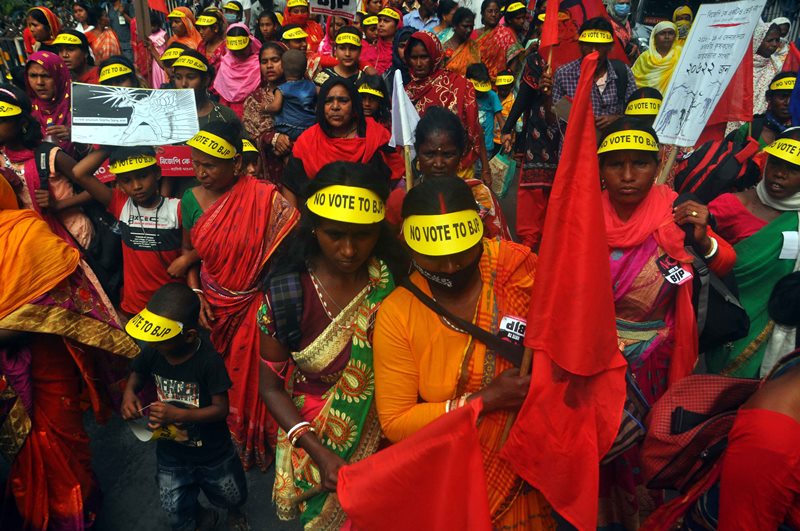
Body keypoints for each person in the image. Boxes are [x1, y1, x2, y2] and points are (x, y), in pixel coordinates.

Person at [373, 176, 555, 530]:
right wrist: (486, 399)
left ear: (480, 235)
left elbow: (562, 335)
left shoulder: (514, 269)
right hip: (454, 475)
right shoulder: (398, 314)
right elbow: (396, 422)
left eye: (462, 252)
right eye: (436, 258)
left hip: (533, 462)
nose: (452, 267)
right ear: (407, 246)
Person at [596, 118, 735, 529]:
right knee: (600, 448)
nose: (626, 176)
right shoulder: (582, 213)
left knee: (643, 450)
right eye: (614, 164)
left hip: (654, 361)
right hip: (596, 358)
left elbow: (725, 260)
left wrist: (702, 235)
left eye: (639, 164)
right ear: (599, 168)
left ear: (657, 165)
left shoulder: (674, 212)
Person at [258, 162, 400, 529]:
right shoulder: (286, 294)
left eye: (362, 236)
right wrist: (319, 453)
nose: (349, 250)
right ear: (314, 227)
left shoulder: (394, 279)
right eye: (335, 235)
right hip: (315, 438)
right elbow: (271, 389)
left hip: (391, 436)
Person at [0, 171, 138, 531]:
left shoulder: (27, 234)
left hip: (46, 361)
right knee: (21, 451)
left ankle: (74, 514)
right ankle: (34, 509)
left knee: (59, 439)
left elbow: (62, 304)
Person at [182, 121, 300, 470]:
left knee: (264, 379)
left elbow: (289, 252)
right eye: (196, 163)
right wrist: (196, 292)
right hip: (216, 308)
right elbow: (190, 252)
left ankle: (264, 440)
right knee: (231, 379)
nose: (201, 172)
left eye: (210, 165)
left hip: (258, 306)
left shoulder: (265, 198)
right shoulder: (189, 200)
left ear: (236, 164)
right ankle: (239, 435)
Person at [121, 284, 248, 531]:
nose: (154, 345)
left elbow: (221, 409)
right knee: (174, 504)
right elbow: (137, 373)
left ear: (189, 336)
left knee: (229, 491)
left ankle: (234, 512)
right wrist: (129, 394)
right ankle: (201, 517)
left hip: (212, 451)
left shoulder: (208, 362)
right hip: (171, 452)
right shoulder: (153, 351)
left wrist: (179, 414)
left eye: (161, 341)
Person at [706, 129, 800, 378]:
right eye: (776, 164)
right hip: (724, 326)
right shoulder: (730, 205)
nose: (780, 174)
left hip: (779, 331)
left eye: (793, 169)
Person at [68, 147, 185, 316]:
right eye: (127, 180)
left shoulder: (177, 208)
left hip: (172, 304)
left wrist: (187, 259)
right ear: (119, 184)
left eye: (143, 176)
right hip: (135, 306)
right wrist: (112, 147)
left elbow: (200, 246)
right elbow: (79, 173)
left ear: (158, 173)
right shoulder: (119, 203)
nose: (136, 186)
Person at [386, 106, 512, 239]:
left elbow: (500, 248)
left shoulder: (479, 196)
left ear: (461, 154)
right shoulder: (401, 200)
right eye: (429, 154)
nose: (439, 164)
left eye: (448, 155)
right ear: (418, 152)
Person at [284, 78, 404, 205]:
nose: (335, 107)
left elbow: (396, 182)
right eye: (328, 101)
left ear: (354, 105)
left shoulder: (376, 135)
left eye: (343, 101)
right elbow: (290, 185)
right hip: (318, 221)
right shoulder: (307, 141)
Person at [500, 44, 562, 251]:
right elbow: (524, 97)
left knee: (558, 190)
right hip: (539, 132)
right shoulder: (538, 60)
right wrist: (508, 127)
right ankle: (529, 242)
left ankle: (548, 240)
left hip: (564, 133)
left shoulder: (578, 64)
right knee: (534, 188)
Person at [404, 31, 485, 181]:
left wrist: (485, 168)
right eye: (414, 58)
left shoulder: (459, 84)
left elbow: (475, 127)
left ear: (435, 56)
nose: (419, 63)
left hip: (461, 168)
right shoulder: (408, 93)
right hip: (426, 170)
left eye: (424, 57)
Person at [550, 17, 637, 130]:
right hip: (575, 146)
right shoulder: (564, 74)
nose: (593, 51)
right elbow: (553, 120)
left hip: (610, 144)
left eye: (600, 45)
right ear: (580, 46)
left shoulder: (623, 72)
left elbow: (635, 115)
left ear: (610, 47)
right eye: (589, 45)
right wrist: (546, 95)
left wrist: (617, 119)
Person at [243, 42, 289, 184]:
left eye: (275, 60)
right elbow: (250, 138)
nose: (269, 65)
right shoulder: (255, 100)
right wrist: (272, 138)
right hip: (267, 174)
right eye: (264, 62)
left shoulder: (302, 93)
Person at [25, 51, 76, 156]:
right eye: (33, 75)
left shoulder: (80, 105)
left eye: (46, 76)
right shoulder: (26, 110)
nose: (39, 82)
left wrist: (77, 135)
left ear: (60, 77)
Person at [730, 73, 796, 148]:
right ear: (769, 98)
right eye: (782, 97)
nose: (788, 103)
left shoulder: (797, 133)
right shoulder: (750, 129)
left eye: (795, 98)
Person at [266, 49, 317, 140]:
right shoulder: (312, 85)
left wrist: (265, 108)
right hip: (310, 127)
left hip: (289, 128)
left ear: (282, 67)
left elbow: (276, 107)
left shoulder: (282, 89)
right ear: (305, 68)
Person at [214, 24, 262, 117]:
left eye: (242, 49)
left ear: (250, 44)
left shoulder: (259, 64)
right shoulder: (225, 64)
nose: (238, 53)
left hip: (253, 117)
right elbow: (223, 99)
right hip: (228, 115)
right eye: (234, 50)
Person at [474, 0, 523, 81]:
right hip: (476, 82)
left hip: (499, 85)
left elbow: (515, 59)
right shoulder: (473, 34)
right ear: (483, 13)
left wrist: (508, 79)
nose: (493, 14)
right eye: (490, 11)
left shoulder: (506, 34)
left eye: (496, 11)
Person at [466, 63, 505, 160]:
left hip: (486, 147)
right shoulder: (465, 95)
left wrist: (506, 134)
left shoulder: (491, 96)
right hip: (468, 146)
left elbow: (500, 119)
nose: (480, 93)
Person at [632, 21, 680, 96]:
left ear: (675, 36)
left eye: (670, 33)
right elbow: (634, 80)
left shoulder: (680, 55)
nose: (667, 36)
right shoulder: (645, 57)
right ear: (655, 37)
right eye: (662, 33)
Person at [753, 22, 785, 117]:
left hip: (762, 121)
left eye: (777, 40)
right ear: (758, 40)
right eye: (770, 40)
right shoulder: (741, 64)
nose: (775, 44)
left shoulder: (777, 66)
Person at [442, 7, 480, 77]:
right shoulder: (444, 48)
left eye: (471, 27)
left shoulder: (474, 46)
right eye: (465, 26)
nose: (469, 30)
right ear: (455, 25)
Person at [381, 26, 415, 91]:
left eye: (410, 46)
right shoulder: (387, 77)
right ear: (396, 48)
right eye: (402, 46)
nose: (406, 51)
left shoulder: (427, 76)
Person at [371, 7, 403, 74]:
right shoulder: (373, 46)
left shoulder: (402, 50)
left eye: (386, 21)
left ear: (397, 25)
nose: (381, 24)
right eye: (379, 20)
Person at [196, 8, 228, 72]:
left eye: (204, 28)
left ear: (215, 28)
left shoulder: (226, 48)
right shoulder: (201, 45)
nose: (200, 32)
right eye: (200, 28)